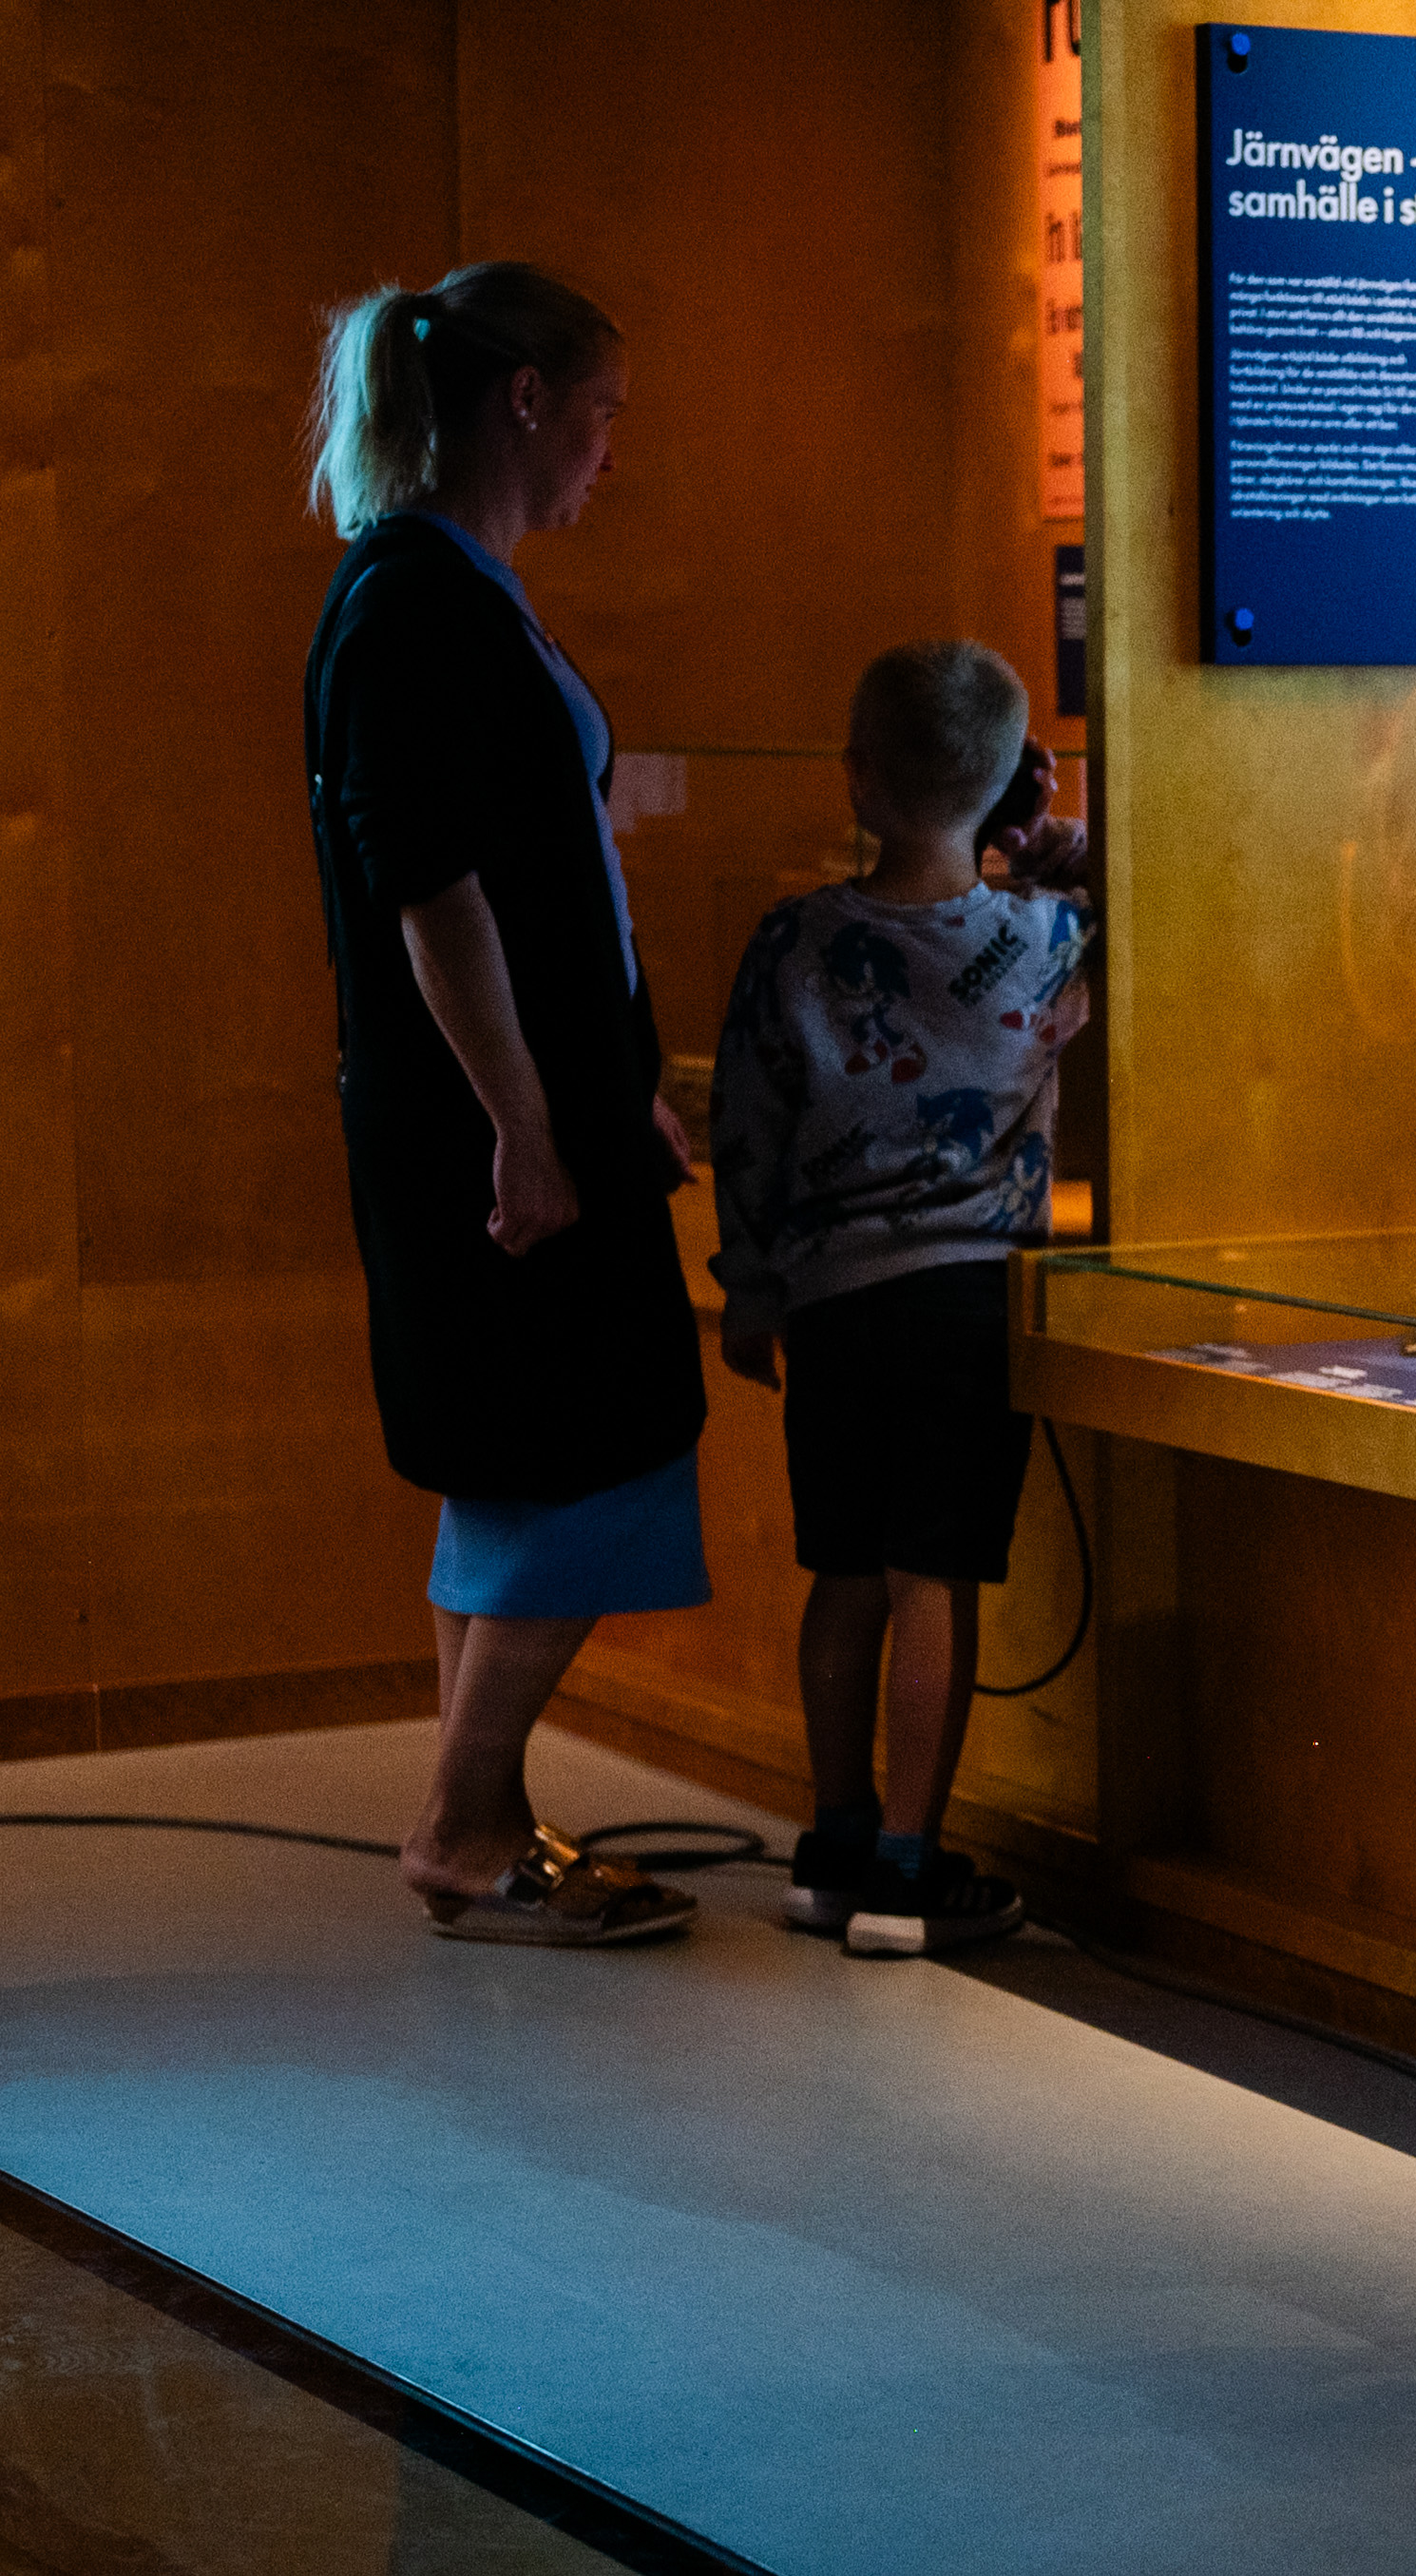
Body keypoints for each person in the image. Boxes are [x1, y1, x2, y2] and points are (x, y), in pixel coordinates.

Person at [303, 261, 709, 1947]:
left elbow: (549, 886)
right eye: (602, 413)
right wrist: (535, 1131)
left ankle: (475, 1815)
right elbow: (438, 896)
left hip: (542, 1102)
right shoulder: (416, 605)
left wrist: (626, 1092)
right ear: (523, 402)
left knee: (507, 1465)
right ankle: (464, 1821)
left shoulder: (448, 591)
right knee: (596, 1442)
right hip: (491, 1125)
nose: (613, 452)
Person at [707, 642, 1096, 1960]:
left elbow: (744, 1125)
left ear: (855, 779)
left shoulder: (798, 941)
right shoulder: (1043, 939)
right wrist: (1033, 834)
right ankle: (907, 1869)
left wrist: (749, 1288)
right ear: (1002, 784)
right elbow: (1131, 880)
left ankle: (830, 1837)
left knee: (846, 1569)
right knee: (937, 1575)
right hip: (970, 1305)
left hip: (830, 1304)